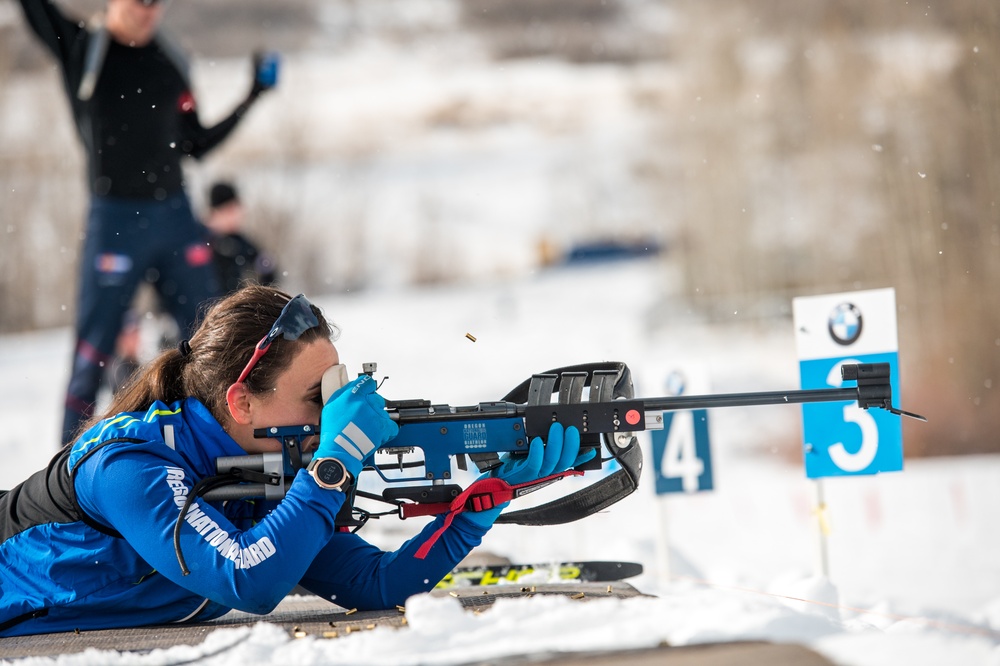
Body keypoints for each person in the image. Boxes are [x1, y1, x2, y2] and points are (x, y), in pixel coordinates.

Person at [0, 287, 593, 636]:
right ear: (242, 401)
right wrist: (333, 463)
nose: (332, 417)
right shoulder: (130, 465)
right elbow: (248, 580)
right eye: (318, 399)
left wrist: (477, 509)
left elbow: (378, 583)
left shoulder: (267, 468)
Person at [16, 0, 276, 445]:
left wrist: (251, 95)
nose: (148, 10)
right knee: (93, 349)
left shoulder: (169, 59)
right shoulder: (84, 47)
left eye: (158, 3)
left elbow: (196, 144)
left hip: (174, 216)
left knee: (210, 336)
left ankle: (225, 450)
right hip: (115, 217)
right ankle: (64, 468)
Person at [204, 181, 279, 294]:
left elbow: (266, 266)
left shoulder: (241, 241)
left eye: (236, 210)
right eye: (229, 211)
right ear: (215, 213)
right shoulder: (203, 243)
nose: (235, 216)